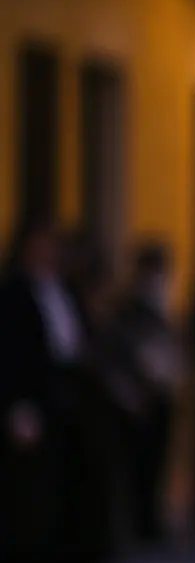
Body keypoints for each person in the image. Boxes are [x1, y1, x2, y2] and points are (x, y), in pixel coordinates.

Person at [0, 219, 115, 562]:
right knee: (33, 486)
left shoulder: (66, 290)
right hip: (36, 393)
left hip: (73, 394)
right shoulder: (13, 295)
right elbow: (11, 354)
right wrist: (17, 407)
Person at [111, 242, 182, 542]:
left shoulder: (163, 303)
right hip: (142, 394)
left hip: (162, 389)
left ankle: (151, 516)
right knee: (140, 461)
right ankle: (139, 521)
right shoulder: (129, 307)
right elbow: (128, 351)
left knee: (158, 459)